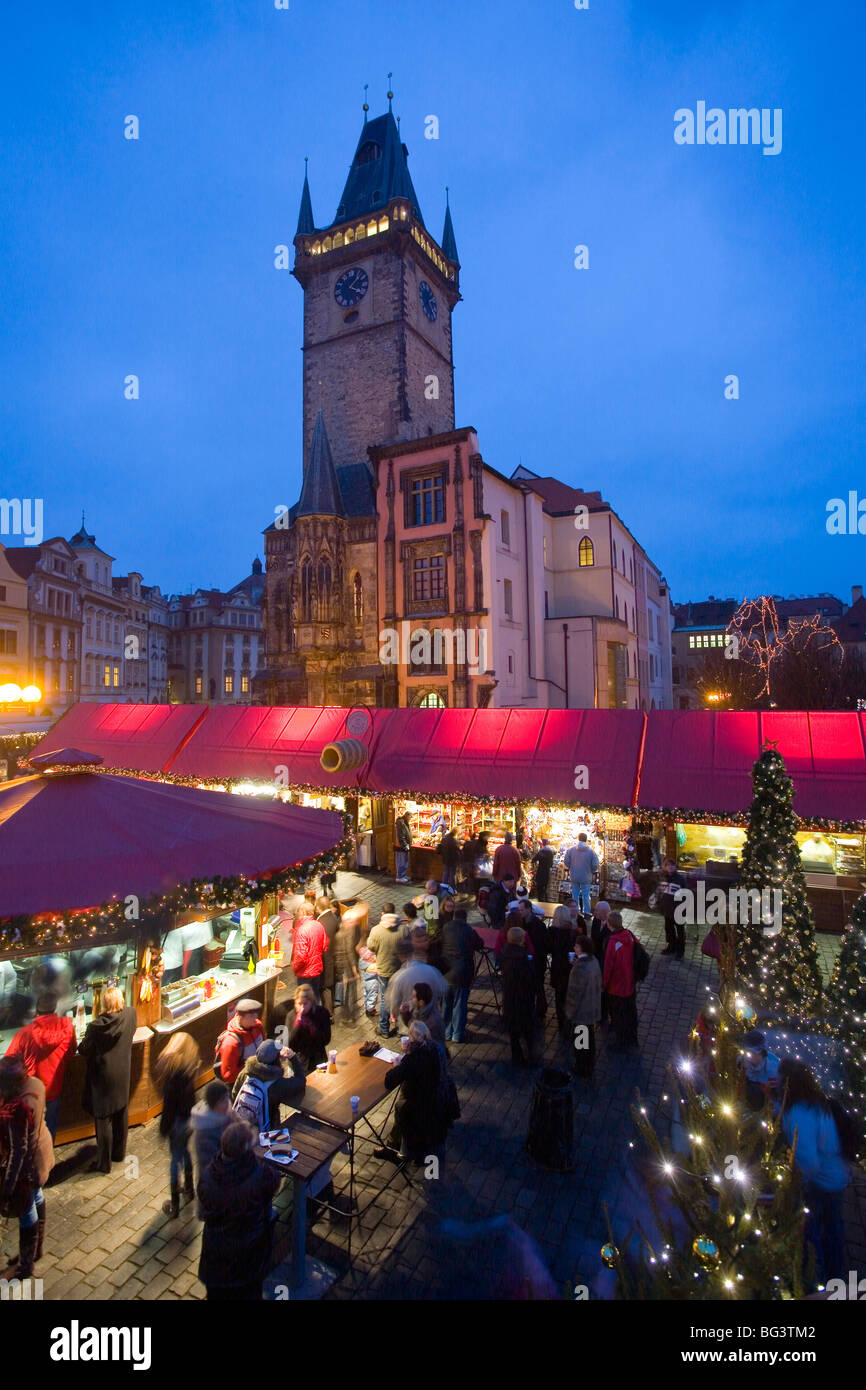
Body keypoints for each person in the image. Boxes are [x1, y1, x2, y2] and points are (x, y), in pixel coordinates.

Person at [778, 1059, 849, 1285]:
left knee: (810, 1234)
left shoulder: (800, 1113)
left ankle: (816, 1280)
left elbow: (809, 1162)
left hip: (820, 1182)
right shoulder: (814, 1101)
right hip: (837, 1176)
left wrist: (793, 1184)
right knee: (833, 1229)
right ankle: (836, 1278)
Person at [197, 1120, 281, 1301]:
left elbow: (204, 1205)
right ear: (245, 1149)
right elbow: (275, 1181)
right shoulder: (259, 1174)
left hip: (216, 1260)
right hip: (248, 1260)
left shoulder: (208, 1176)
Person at [0, 1055, 54, 1278]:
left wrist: (7, 1189)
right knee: (37, 1196)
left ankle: (25, 1266)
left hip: (28, 1165)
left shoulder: (18, 1109)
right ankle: (35, 1251)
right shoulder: (36, 1084)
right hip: (42, 1151)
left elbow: (17, 1152)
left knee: (26, 1208)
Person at [78, 985, 137, 1174]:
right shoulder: (130, 1015)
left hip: (102, 1077)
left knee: (103, 1118)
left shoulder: (96, 1026)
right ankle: (119, 1153)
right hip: (123, 1072)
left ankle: (104, 1164)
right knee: (121, 1111)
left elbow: (84, 1049)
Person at [5, 991, 77, 1141]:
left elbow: (8, 1061)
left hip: (30, 1093)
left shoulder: (25, 1034)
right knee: (48, 1136)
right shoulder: (68, 1028)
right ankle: (48, 1163)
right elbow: (70, 1053)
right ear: (55, 1008)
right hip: (54, 1091)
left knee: (28, 1137)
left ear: (36, 1011)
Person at [377, 1021, 452, 1164]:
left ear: (412, 1038)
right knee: (402, 1103)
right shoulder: (434, 1049)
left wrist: (399, 1063)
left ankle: (400, 1151)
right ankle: (399, 1146)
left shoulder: (413, 1059)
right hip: (437, 1099)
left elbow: (390, 1081)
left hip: (418, 1107)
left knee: (400, 1106)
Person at [154, 1031, 200, 1218]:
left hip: (177, 1123)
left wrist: (164, 1128)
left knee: (174, 1159)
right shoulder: (190, 1067)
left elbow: (169, 1107)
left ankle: (174, 1204)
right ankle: (189, 1187)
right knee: (186, 1151)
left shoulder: (173, 1075)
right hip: (189, 1119)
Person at [232, 1038, 306, 1129]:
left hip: (242, 1126)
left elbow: (234, 1093)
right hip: (268, 1129)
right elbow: (301, 1081)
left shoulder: (245, 1072)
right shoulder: (278, 1084)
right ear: (276, 1059)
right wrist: (293, 1058)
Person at [387, 928, 448, 1027]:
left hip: (408, 1027)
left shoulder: (399, 977)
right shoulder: (432, 971)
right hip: (431, 1024)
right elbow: (443, 989)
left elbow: (393, 1005)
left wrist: (404, 1012)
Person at [442, 908, 483, 1044]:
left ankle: (446, 1032)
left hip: (446, 971)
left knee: (446, 1003)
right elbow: (479, 944)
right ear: (465, 919)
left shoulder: (446, 927)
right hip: (462, 973)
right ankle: (457, 1034)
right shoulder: (469, 930)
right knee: (459, 1004)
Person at [367, 906, 409, 1037]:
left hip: (384, 969)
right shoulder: (403, 929)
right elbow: (409, 946)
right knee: (400, 998)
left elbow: (371, 946)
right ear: (395, 912)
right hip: (400, 970)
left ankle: (384, 1028)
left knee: (385, 998)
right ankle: (400, 1028)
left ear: (382, 913)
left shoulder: (376, 930)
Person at [191, 1080, 233, 1212]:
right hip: (215, 1187)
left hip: (229, 1182)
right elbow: (213, 1164)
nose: (227, 1102)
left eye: (227, 1098)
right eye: (223, 1100)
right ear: (214, 1104)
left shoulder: (227, 1114)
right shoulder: (205, 1132)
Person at [565, 935, 602, 1078]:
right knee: (589, 1039)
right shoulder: (593, 960)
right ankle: (589, 1063)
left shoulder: (580, 967)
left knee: (581, 1042)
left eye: (576, 946)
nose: (574, 948)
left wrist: (570, 1012)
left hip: (582, 1011)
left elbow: (575, 993)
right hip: (591, 1006)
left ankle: (582, 1067)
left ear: (581, 948)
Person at [500, 926, 537, 1066]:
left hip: (509, 996)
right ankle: (530, 1053)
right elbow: (530, 978)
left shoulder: (504, 953)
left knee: (513, 1030)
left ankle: (517, 1055)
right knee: (527, 1027)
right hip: (523, 997)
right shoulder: (523, 958)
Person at [602, 912, 639, 1049]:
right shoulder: (629, 935)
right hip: (629, 981)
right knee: (630, 1011)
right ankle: (633, 1038)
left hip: (616, 986)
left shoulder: (612, 942)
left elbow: (608, 966)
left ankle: (621, 1042)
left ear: (609, 924)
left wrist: (604, 984)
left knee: (618, 1015)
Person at [216, 998, 264, 1088]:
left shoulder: (258, 1026)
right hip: (240, 1085)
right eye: (251, 1015)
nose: (255, 1017)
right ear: (241, 1017)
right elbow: (228, 1076)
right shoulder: (231, 1043)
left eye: (256, 1014)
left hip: (258, 1077)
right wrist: (250, 1067)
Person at [548, 904, 581, 1035]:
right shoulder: (573, 933)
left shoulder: (552, 932)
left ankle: (562, 1023)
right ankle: (571, 1021)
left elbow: (549, 949)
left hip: (557, 968)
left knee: (559, 997)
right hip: (570, 969)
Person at [284, 984, 331, 1074]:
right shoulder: (291, 1016)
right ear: (295, 1002)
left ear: (311, 1002)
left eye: (305, 1004)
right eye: (299, 1004)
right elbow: (289, 1044)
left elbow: (326, 1040)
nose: (302, 1008)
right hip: (298, 1063)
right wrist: (297, 1025)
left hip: (318, 1060)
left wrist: (311, 1027)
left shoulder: (322, 1013)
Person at [290, 908, 330, 1002]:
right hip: (317, 968)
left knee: (304, 1001)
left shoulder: (302, 930)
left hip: (304, 972)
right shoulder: (318, 925)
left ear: (304, 912)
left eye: (299, 913)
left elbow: (301, 956)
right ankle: (318, 1015)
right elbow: (324, 946)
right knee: (316, 996)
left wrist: (294, 967)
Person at [333, 904, 361, 1023]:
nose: (355, 923)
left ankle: (346, 1010)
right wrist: (354, 968)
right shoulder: (347, 932)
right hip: (346, 965)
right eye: (352, 921)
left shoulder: (341, 929)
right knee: (350, 989)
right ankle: (349, 1014)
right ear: (347, 922)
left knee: (345, 988)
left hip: (341, 964)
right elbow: (349, 950)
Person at [740, 1029, 781, 1110]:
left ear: (761, 1052)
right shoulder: (740, 1065)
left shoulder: (774, 1072)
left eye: (751, 1052)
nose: (748, 1056)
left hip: (767, 1112)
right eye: (746, 1052)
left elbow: (779, 1101)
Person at [400, 982, 447, 1047]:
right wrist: (405, 1013)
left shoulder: (433, 1022)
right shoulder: (418, 1009)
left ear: (421, 1002)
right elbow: (412, 1025)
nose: (411, 998)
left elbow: (428, 1047)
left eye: (413, 997)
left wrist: (410, 1047)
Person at [316, 895, 340, 1016]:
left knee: (325, 986)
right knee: (330, 985)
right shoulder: (334, 918)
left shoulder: (321, 922)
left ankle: (328, 1014)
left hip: (324, 959)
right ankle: (331, 1008)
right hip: (333, 956)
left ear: (318, 907)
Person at [658, 859, 687, 960]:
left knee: (680, 931)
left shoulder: (680, 879)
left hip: (678, 910)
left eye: (672, 865)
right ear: (665, 867)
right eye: (667, 865)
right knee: (669, 929)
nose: (670, 867)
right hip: (667, 910)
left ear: (675, 867)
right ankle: (671, 947)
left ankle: (680, 951)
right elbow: (661, 892)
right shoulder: (663, 878)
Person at [564, 832, 598, 915]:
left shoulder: (571, 850)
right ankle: (586, 911)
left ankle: (575, 911)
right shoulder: (591, 851)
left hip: (574, 875)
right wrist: (591, 871)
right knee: (586, 895)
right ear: (586, 839)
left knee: (574, 894)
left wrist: (571, 867)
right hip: (586, 876)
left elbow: (566, 861)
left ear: (578, 839)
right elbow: (595, 865)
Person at [395, 813, 413, 883]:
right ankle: (399, 877)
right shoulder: (401, 823)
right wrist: (405, 845)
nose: (410, 819)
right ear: (407, 816)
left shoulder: (405, 823)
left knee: (405, 862)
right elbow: (401, 836)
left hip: (405, 846)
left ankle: (403, 875)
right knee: (401, 862)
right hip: (401, 846)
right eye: (410, 817)